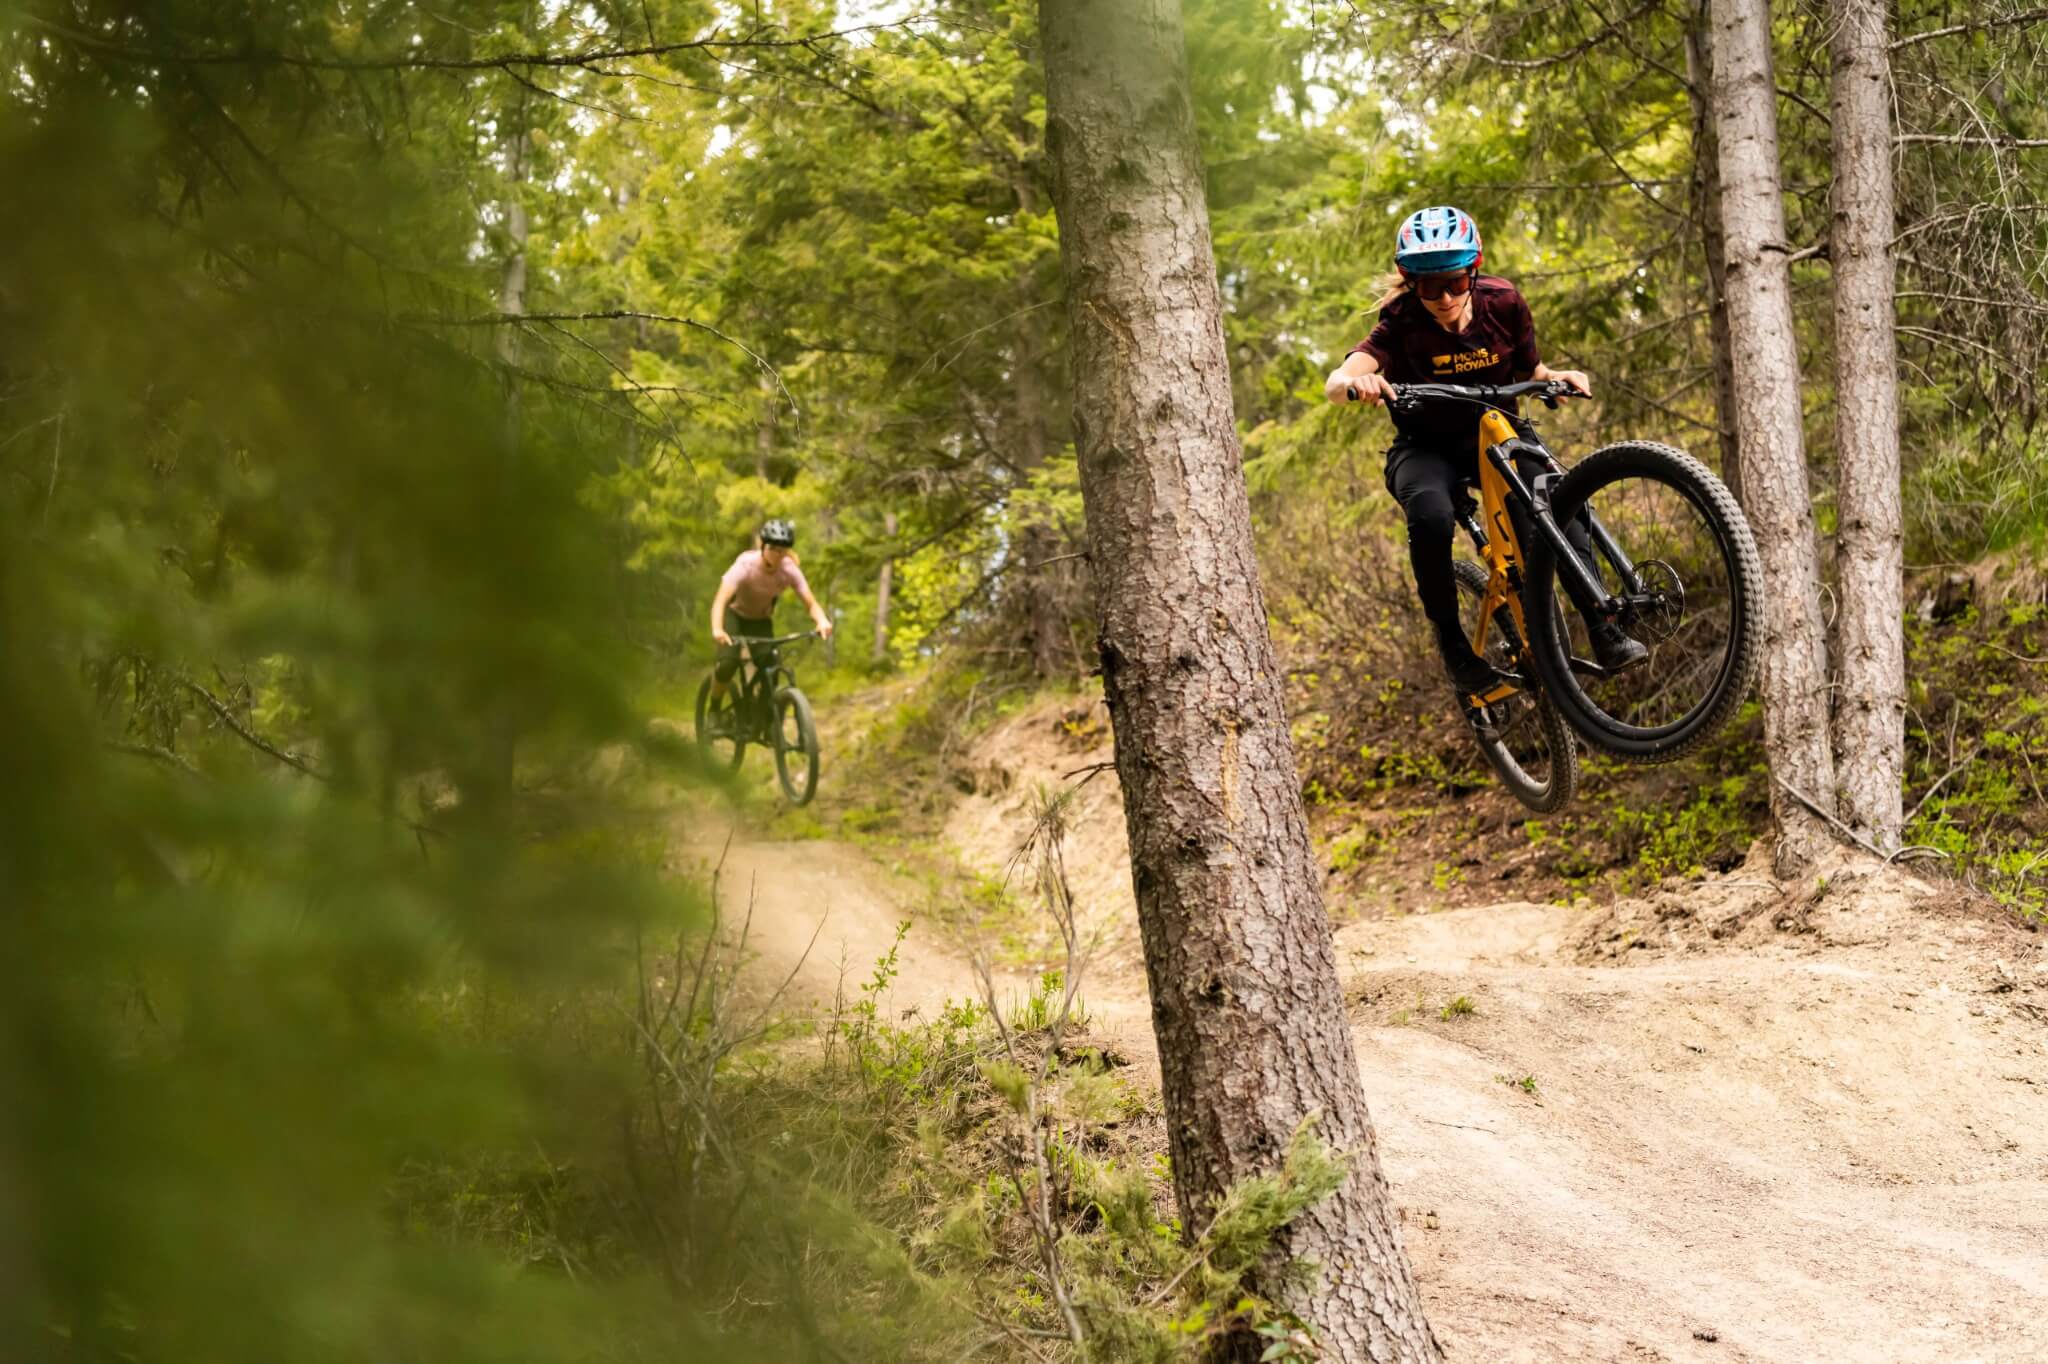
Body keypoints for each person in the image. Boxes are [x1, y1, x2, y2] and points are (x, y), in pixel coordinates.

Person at [1323, 205, 1647, 696]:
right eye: (1430, 287)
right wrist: (1358, 382)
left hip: (1503, 433)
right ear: (1411, 283)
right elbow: (1336, 381)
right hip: (1427, 448)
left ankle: (1603, 627)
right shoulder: (1401, 320)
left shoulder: (1504, 303)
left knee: (1556, 504)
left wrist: (1557, 380)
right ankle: (1454, 645)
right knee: (1430, 516)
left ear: (1473, 272)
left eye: (1455, 282)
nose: (1445, 297)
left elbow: (1533, 373)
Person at [706, 519, 833, 727]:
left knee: (771, 668)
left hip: (760, 621)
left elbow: (810, 603)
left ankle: (761, 718)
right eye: (773, 548)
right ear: (763, 546)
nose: (777, 554)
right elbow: (720, 601)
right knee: (727, 663)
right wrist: (718, 629)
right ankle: (714, 708)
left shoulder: (789, 569)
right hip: (734, 617)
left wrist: (821, 620)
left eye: (782, 550)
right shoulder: (745, 565)